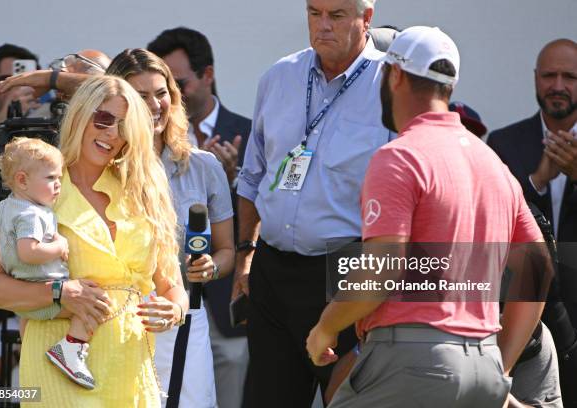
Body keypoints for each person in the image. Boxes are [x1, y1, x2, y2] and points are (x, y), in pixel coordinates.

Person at [306, 26, 547, 407]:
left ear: (395, 76)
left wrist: (325, 327)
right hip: (482, 370)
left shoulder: (399, 156)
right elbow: (538, 268)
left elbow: (382, 269)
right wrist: (498, 367)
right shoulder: (494, 164)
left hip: (411, 365)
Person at [0, 75, 189, 407]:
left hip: (131, 365)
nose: (112, 134)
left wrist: (173, 309)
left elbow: (173, 285)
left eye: (124, 127)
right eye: (104, 118)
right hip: (58, 366)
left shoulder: (141, 192)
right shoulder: (42, 186)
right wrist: (58, 293)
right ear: (80, 114)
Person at [235, 0, 392, 405]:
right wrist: (245, 255)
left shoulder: (391, 85)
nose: (322, 26)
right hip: (271, 268)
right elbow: (252, 177)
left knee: (349, 400)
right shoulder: (279, 76)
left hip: (344, 273)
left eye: (336, 15)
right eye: (314, 13)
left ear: (367, 18)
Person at [106, 48, 235, 408]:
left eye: (161, 93)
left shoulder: (204, 166)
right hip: (120, 320)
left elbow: (227, 251)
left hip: (185, 315)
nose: (154, 104)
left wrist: (210, 267)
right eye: (140, 96)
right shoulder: (101, 167)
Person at [148, 27, 250, 408]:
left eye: (179, 83)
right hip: (151, 307)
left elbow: (267, 212)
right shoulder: (132, 148)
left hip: (219, 301)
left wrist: (231, 179)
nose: (170, 96)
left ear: (208, 75)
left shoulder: (247, 132)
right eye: (162, 87)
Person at [487, 38, 577, 406]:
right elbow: (495, 217)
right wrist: (538, 180)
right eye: (549, 75)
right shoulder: (505, 142)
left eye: (569, 76)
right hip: (530, 304)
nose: (558, 85)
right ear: (535, 79)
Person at [0, 137, 100, 389]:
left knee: (29, 330)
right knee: (92, 307)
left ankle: (32, 361)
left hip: (22, 295)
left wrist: (1, 237)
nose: (58, 185)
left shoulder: (6, 207)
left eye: (59, 178)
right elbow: (29, 252)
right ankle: (71, 349)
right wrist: (59, 246)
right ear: (22, 180)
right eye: (51, 179)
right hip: (46, 289)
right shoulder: (32, 214)